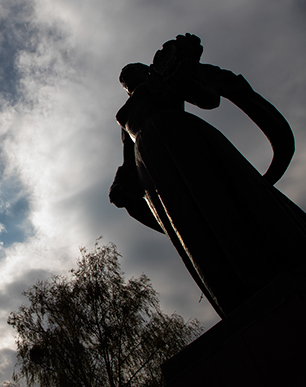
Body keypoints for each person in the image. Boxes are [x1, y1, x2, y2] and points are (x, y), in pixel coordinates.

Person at [109, 34, 306, 317]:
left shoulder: (163, 82)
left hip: (186, 139)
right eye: (125, 80)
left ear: (148, 70)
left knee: (225, 197)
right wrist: (122, 185)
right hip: (153, 166)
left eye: (134, 72)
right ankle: (235, 293)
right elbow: (128, 158)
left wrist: (185, 71)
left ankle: (274, 263)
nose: (129, 79)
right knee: (189, 221)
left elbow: (209, 98)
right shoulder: (124, 117)